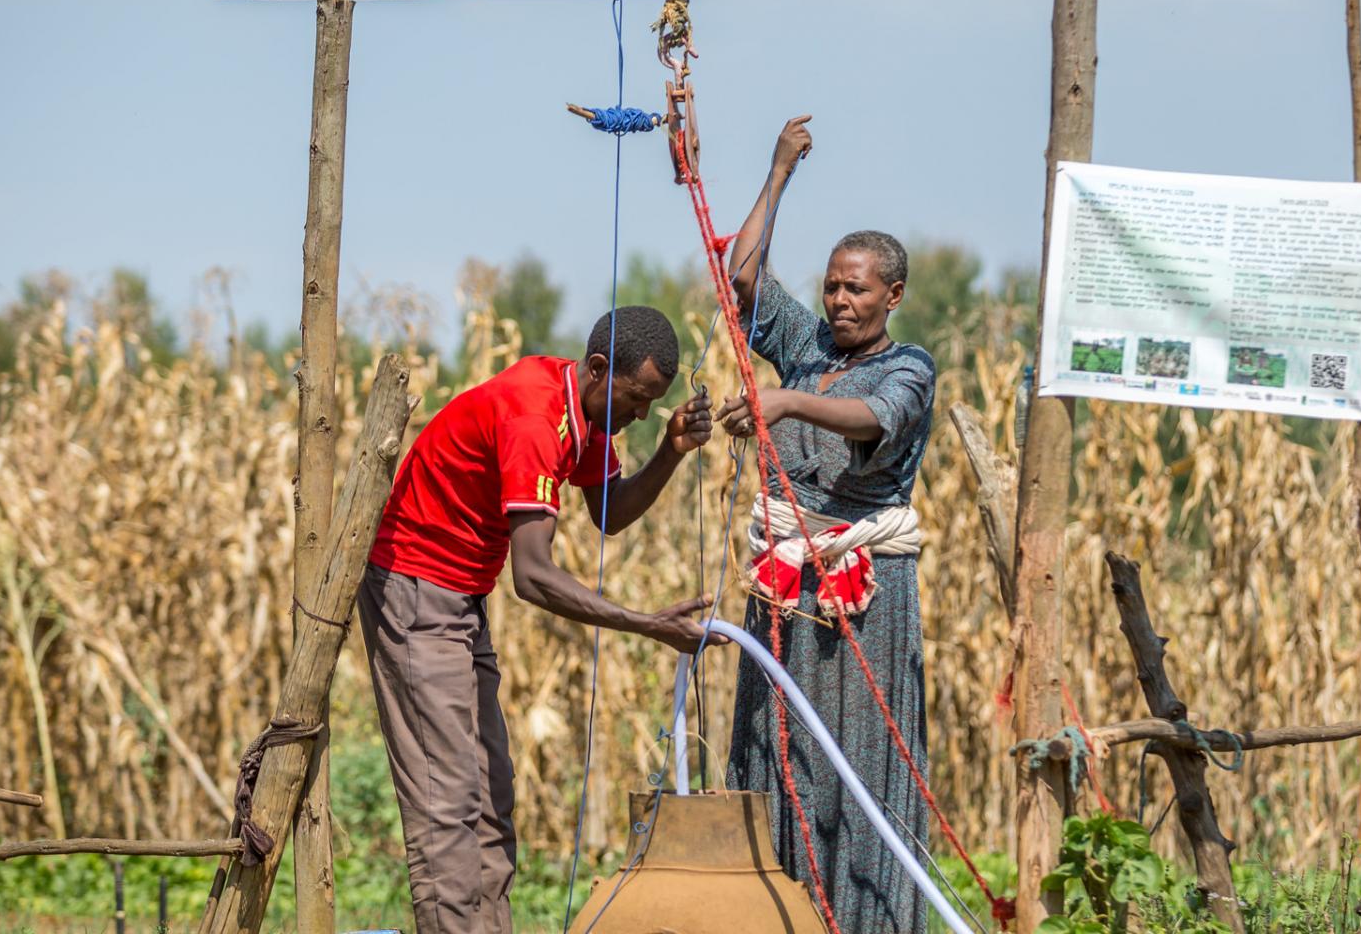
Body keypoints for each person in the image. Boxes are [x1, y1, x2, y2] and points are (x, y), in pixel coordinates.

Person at [358, 304, 718, 934]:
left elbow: (609, 511)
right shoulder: (534, 418)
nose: (639, 417)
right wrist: (648, 624)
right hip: (416, 593)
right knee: (448, 801)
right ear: (600, 368)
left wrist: (671, 450)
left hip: (462, 599)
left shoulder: (580, 409)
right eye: (637, 401)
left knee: (492, 796)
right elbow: (534, 577)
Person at [721, 115, 938, 934]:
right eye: (833, 288)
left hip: (863, 593)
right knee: (777, 747)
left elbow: (871, 419)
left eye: (858, 290)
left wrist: (784, 398)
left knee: (856, 759)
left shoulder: (906, 367)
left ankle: (864, 920)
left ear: (893, 296)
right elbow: (742, 278)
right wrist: (778, 173)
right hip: (785, 578)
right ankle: (785, 914)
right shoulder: (808, 344)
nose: (840, 302)